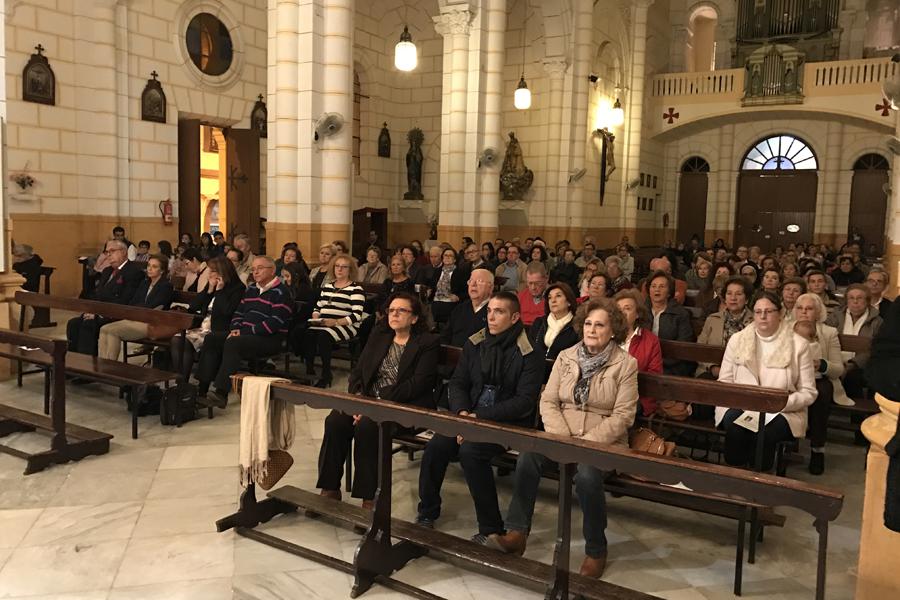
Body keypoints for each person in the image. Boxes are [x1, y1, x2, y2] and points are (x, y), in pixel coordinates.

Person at [485, 298, 638, 578]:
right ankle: (516, 534)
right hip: (560, 436)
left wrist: (584, 443)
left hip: (601, 443)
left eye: (600, 324)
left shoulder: (625, 364)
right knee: (529, 456)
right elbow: (548, 401)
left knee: (588, 476)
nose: (592, 329)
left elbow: (623, 416)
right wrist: (563, 438)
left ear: (613, 330)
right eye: (589, 323)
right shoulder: (566, 356)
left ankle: (595, 549)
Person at [416, 292, 544, 536]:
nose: (491, 317)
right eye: (489, 311)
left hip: (508, 422)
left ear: (515, 317)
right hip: (470, 415)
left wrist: (478, 420)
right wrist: (463, 414)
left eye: (499, 312)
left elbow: (523, 402)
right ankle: (427, 512)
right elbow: (458, 383)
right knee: (437, 446)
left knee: (471, 452)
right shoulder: (475, 343)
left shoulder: (530, 352)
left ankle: (491, 528)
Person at [317, 293, 440, 507]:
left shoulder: (427, 343)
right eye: (391, 310)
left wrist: (373, 404)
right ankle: (329, 488)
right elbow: (358, 372)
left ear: (414, 318)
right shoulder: (380, 335)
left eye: (401, 310)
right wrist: (357, 399)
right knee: (335, 420)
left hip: (404, 407)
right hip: (367, 402)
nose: (394, 314)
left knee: (368, 426)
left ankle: (369, 496)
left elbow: (418, 384)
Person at [716, 291, 817, 472]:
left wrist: (779, 403)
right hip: (742, 404)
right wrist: (743, 401)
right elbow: (725, 381)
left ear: (779, 314)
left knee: (764, 434)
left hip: (783, 410)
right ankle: (733, 476)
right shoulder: (738, 340)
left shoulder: (799, 345)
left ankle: (760, 480)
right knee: (735, 428)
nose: (762, 316)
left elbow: (809, 391)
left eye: (769, 311)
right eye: (757, 311)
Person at [200, 256, 293, 407]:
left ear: (272, 270)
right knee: (212, 339)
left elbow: (273, 324)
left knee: (233, 343)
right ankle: (202, 390)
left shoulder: (282, 293)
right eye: (253, 269)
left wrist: (244, 332)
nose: (255, 272)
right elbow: (238, 313)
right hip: (245, 334)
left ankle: (221, 393)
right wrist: (236, 328)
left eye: (260, 268)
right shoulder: (251, 289)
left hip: (270, 339)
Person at [169, 256, 244, 384]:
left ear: (223, 271)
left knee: (186, 341)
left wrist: (219, 291)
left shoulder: (238, 288)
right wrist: (209, 291)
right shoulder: (211, 286)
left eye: (213, 271)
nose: (210, 274)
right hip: (202, 327)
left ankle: (187, 385)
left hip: (220, 329)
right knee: (178, 340)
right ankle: (182, 383)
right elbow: (194, 307)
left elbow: (227, 311)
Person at [294, 254, 365, 388]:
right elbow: (318, 306)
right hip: (323, 323)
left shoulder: (356, 289)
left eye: (344, 267)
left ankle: (326, 374)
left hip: (346, 325)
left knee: (323, 336)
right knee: (307, 333)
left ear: (350, 270)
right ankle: (310, 370)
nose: (340, 269)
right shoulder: (328, 286)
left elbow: (357, 315)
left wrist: (336, 322)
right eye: (337, 266)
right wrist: (316, 316)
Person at [792, 293, 842, 474]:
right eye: (800, 308)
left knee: (821, 394)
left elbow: (838, 369)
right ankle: (785, 441)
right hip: (791, 378)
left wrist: (821, 364)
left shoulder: (829, 333)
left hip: (818, 379)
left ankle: (817, 450)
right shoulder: (785, 329)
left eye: (809, 308)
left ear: (818, 311)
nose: (804, 312)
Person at [66, 239, 144, 355]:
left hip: (118, 313)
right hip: (101, 312)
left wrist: (99, 314)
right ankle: (73, 363)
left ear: (123, 252)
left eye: (112, 251)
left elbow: (125, 300)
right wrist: (91, 311)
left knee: (89, 325)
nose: (109, 255)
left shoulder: (133, 271)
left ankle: (87, 366)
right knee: (74, 323)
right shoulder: (107, 271)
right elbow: (98, 295)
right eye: (107, 252)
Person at [97, 255, 175, 361]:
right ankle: (102, 364)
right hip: (136, 318)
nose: (150, 269)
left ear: (162, 271)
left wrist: (140, 307)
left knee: (113, 332)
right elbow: (133, 302)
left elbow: (155, 307)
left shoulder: (166, 286)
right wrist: (139, 308)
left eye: (154, 266)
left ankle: (109, 366)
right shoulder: (145, 283)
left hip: (151, 324)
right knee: (104, 329)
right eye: (148, 265)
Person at [827, 284, 883, 401]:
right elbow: (826, 338)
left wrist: (853, 364)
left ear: (867, 301)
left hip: (862, 365)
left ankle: (858, 416)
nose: (855, 302)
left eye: (859, 298)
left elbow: (875, 348)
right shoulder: (836, 316)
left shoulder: (877, 321)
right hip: (835, 360)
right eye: (851, 298)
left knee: (854, 377)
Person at [615, 289, 663, 416]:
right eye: (619, 309)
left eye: (627, 308)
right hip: (606, 393)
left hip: (637, 397)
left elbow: (654, 376)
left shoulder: (650, 340)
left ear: (637, 314)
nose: (622, 313)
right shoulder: (607, 335)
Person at [696, 276, 753, 380]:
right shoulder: (712, 319)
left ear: (746, 299)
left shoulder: (754, 322)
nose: (733, 298)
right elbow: (700, 349)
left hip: (744, 374)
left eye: (738, 294)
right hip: (711, 372)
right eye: (729, 293)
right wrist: (712, 367)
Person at [645, 270, 695, 376]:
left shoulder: (681, 314)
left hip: (672, 366)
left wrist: (658, 363)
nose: (657, 289)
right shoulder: (641, 312)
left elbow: (684, 345)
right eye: (653, 286)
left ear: (669, 292)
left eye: (662, 286)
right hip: (644, 363)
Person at [529, 282, 579, 363]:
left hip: (563, 371)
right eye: (550, 297)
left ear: (569, 302)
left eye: (558, 296)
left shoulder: (577, 326)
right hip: (536, 370)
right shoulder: (539, 322)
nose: (553, 300)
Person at [443, 268, 493, 347]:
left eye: (479, 281)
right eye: (471, 281)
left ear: (490, 288)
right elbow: (445, 336)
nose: (473, 284)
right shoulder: (459, 309)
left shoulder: (495, 311)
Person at [430, 247, 465, 324]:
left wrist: (458, 297)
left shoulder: (460, 273)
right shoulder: (437, 272)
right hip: (436, 302)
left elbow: (465, 291)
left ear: (455, 259)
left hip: (451, 304)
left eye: (450, 256)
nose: (447, 257)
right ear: (442, 258)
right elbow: (432, 288)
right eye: (445, 255)